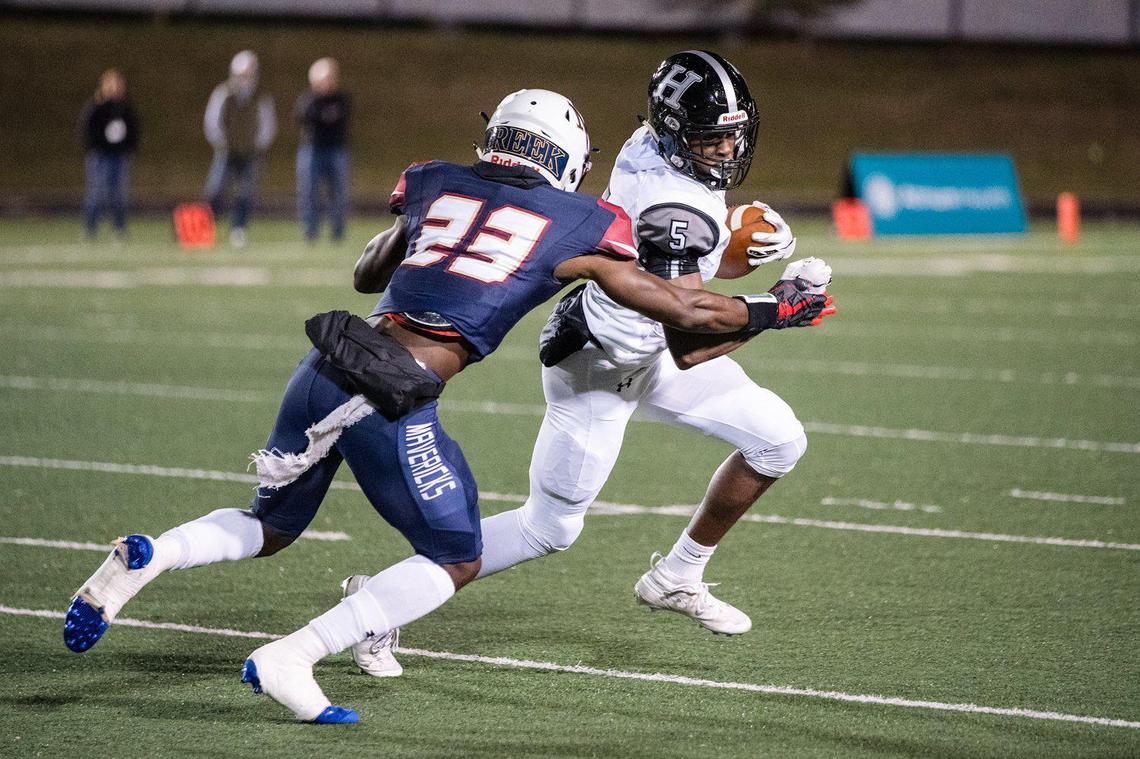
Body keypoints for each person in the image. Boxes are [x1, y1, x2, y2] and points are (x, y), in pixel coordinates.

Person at [62, 89, 830, 724]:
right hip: (391, 398)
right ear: (561, 158)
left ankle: (147, 555)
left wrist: (417, 227)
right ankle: (293, 653)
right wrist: (779, 310)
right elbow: (684, 313)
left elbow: (368, 274)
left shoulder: (433, 181)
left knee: (269, 526)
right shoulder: (581, 222)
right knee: (456, 555)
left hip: (329, 361)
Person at [345, 51, 834, 678]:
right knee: (547, 529)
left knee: (779, 441)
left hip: (650, 346)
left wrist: (733, 248)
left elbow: (681, 278)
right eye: (712, 138)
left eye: (732, 134)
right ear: (676, 134)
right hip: (600, 364)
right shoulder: (670, 204)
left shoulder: (650, 149)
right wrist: (785, 304)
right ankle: (377, 605)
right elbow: (694, 338)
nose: (725, 150)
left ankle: (677, 575)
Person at [204, 50, 277, 248]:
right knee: (216, 189)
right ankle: (207, 228)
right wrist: (222, 143)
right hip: (227, 151)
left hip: (250, 153)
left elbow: (267, 125)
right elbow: (212, 121)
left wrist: (257, 145)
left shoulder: (260, 95)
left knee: (245, 192)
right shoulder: (224, 93)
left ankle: (239, 228)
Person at [295, 57, 351, 243]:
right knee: (309, 192)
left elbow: (339, 120)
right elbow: (303, 118)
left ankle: (338, 231)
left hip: (336, 150)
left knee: (338, 193)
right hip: (312, 150)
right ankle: (310, 230)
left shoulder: (341, 98)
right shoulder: (309, 99)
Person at [80, 69, 139, 241]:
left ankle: (119, 229)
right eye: (111, 84)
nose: (115, 88)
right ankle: (90, 228)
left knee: (119, 194)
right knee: (96, 193)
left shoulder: (125, 108)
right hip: (100, 156)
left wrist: (128, 149)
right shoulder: (96, 108)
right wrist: (96, 147)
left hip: (119, 157)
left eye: (118, 84)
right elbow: (88, 131)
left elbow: (133, 131)